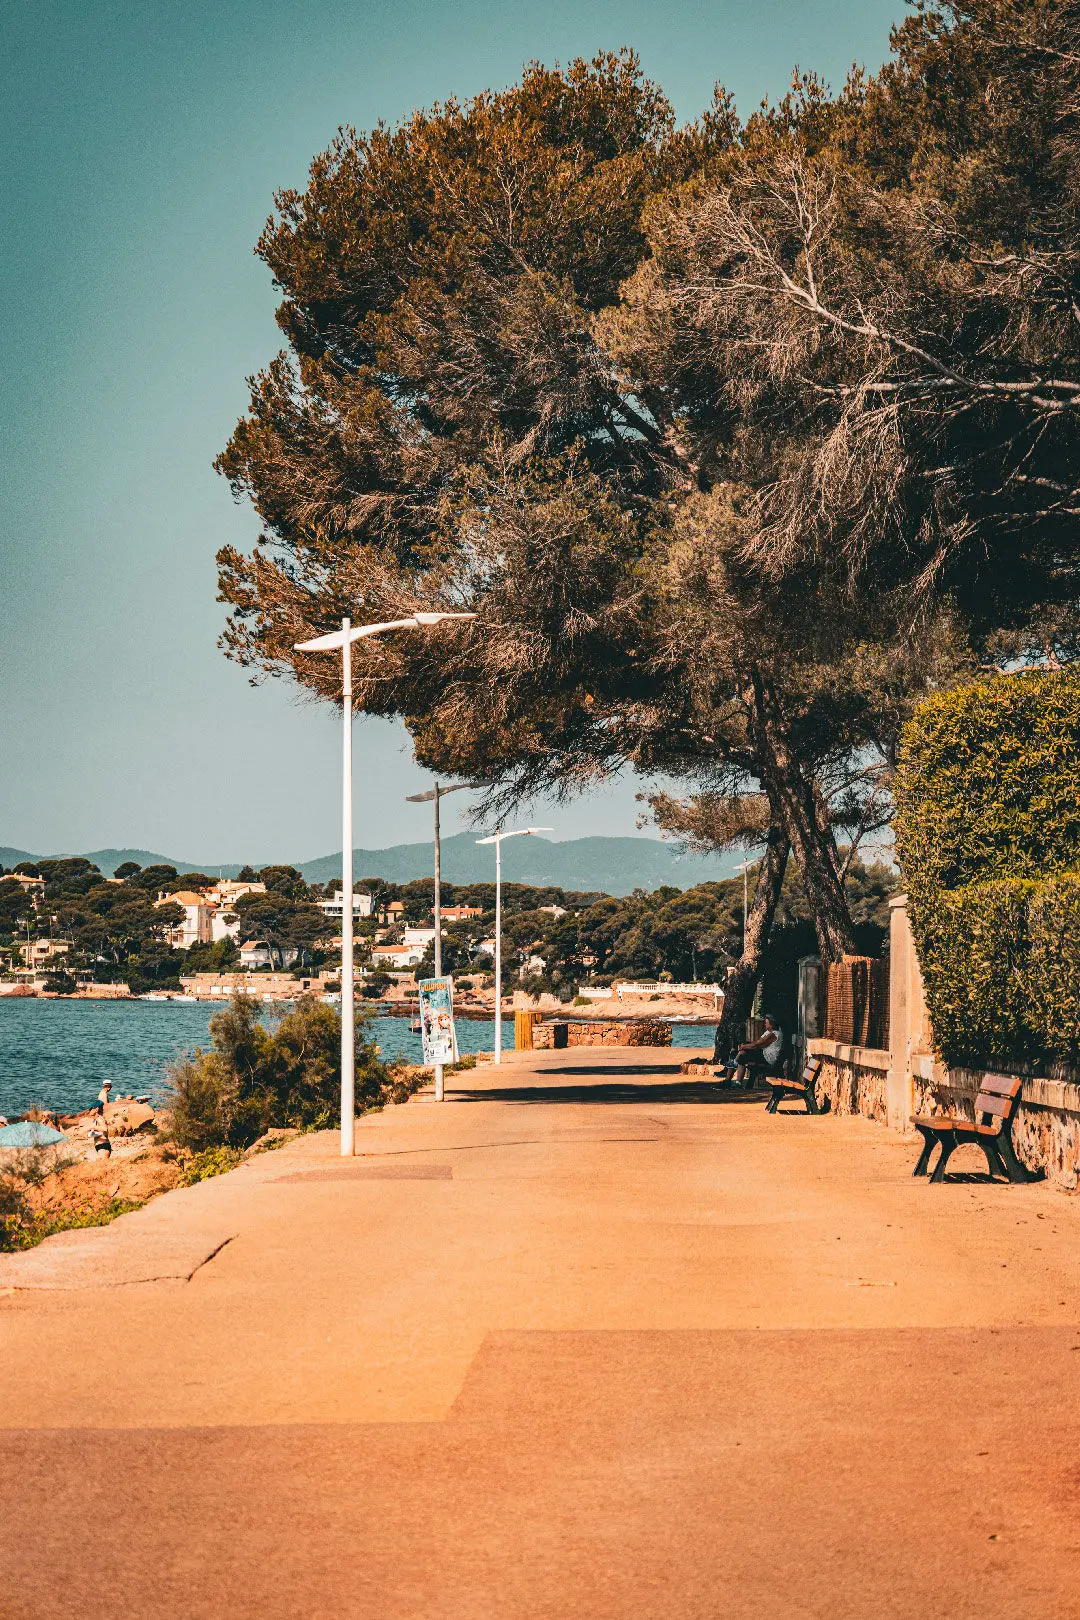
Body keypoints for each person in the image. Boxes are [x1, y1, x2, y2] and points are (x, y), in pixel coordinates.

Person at [722, 1013, 784, 1088]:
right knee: (738, 1052)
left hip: (768, 1058)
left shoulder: (775, 1034)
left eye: (766, 1023)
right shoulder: (768, 1032)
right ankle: (735, 1080)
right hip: (763, 1053)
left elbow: (757, 1044)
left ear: (771, 1024)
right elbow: (757, 1042)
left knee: (742, 1052)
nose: (765, 1024)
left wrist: (744, 1046)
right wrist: (745, 1046)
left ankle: (731, 1076)